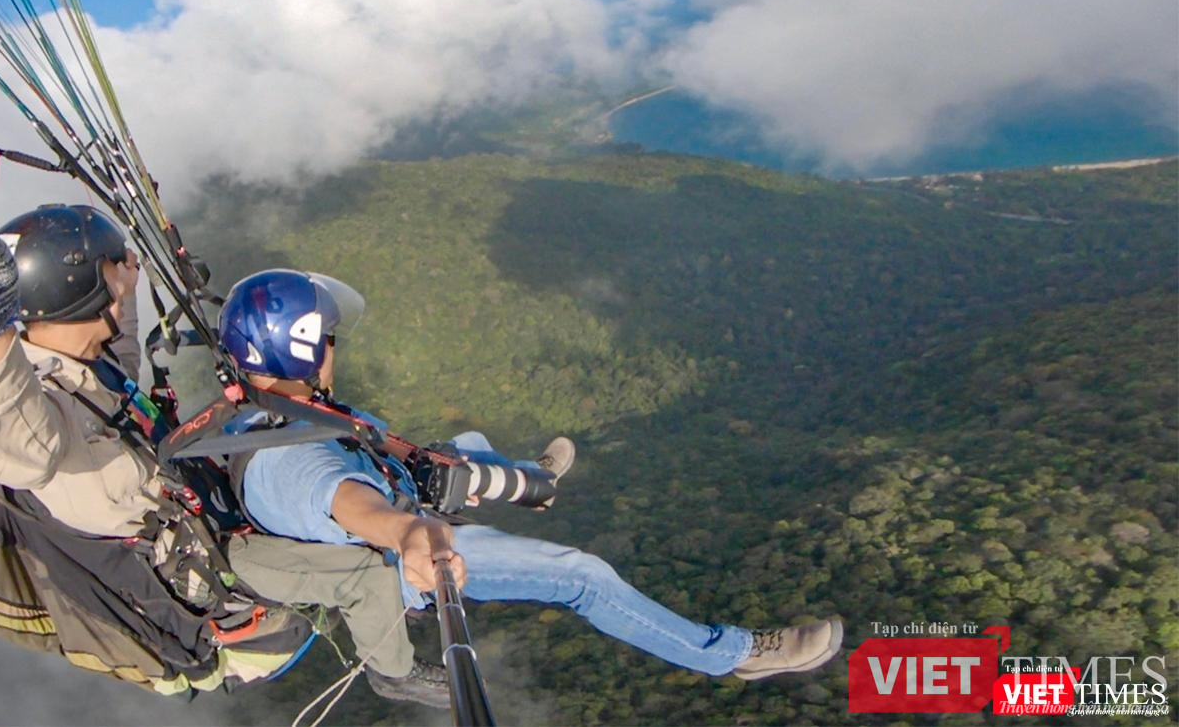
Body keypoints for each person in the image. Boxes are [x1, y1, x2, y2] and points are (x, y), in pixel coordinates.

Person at [0, 205, 450, 706]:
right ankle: (393, 671)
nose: (129, 267)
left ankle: (402, 575)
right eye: (117, 263)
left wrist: (130, 274)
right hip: (216, 572)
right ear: (86, 285)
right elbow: (14, 446)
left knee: (304, 454)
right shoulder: (35, 417)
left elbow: (116, 345)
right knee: (368, 574)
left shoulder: (81, 360)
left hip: (207, 508)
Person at [217, 269, 845, 682]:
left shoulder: (269, 408)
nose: (333, 347)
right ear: (297, 349)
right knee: (583, 576)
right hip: (400, 555)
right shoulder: (288, 458)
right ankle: (734, 656)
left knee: (469, 447)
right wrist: (409, 534)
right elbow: (346, 501)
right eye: (326, 337)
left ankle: (527, 479)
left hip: (393, 493)